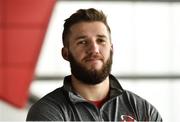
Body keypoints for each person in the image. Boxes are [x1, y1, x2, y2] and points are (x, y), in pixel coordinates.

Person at [26, 8, 162, 121]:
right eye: (82, 42)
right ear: (65, 53)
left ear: (111, 49)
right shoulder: (47, 112)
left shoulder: (142, 109)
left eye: (101, 40)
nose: (94, 50)